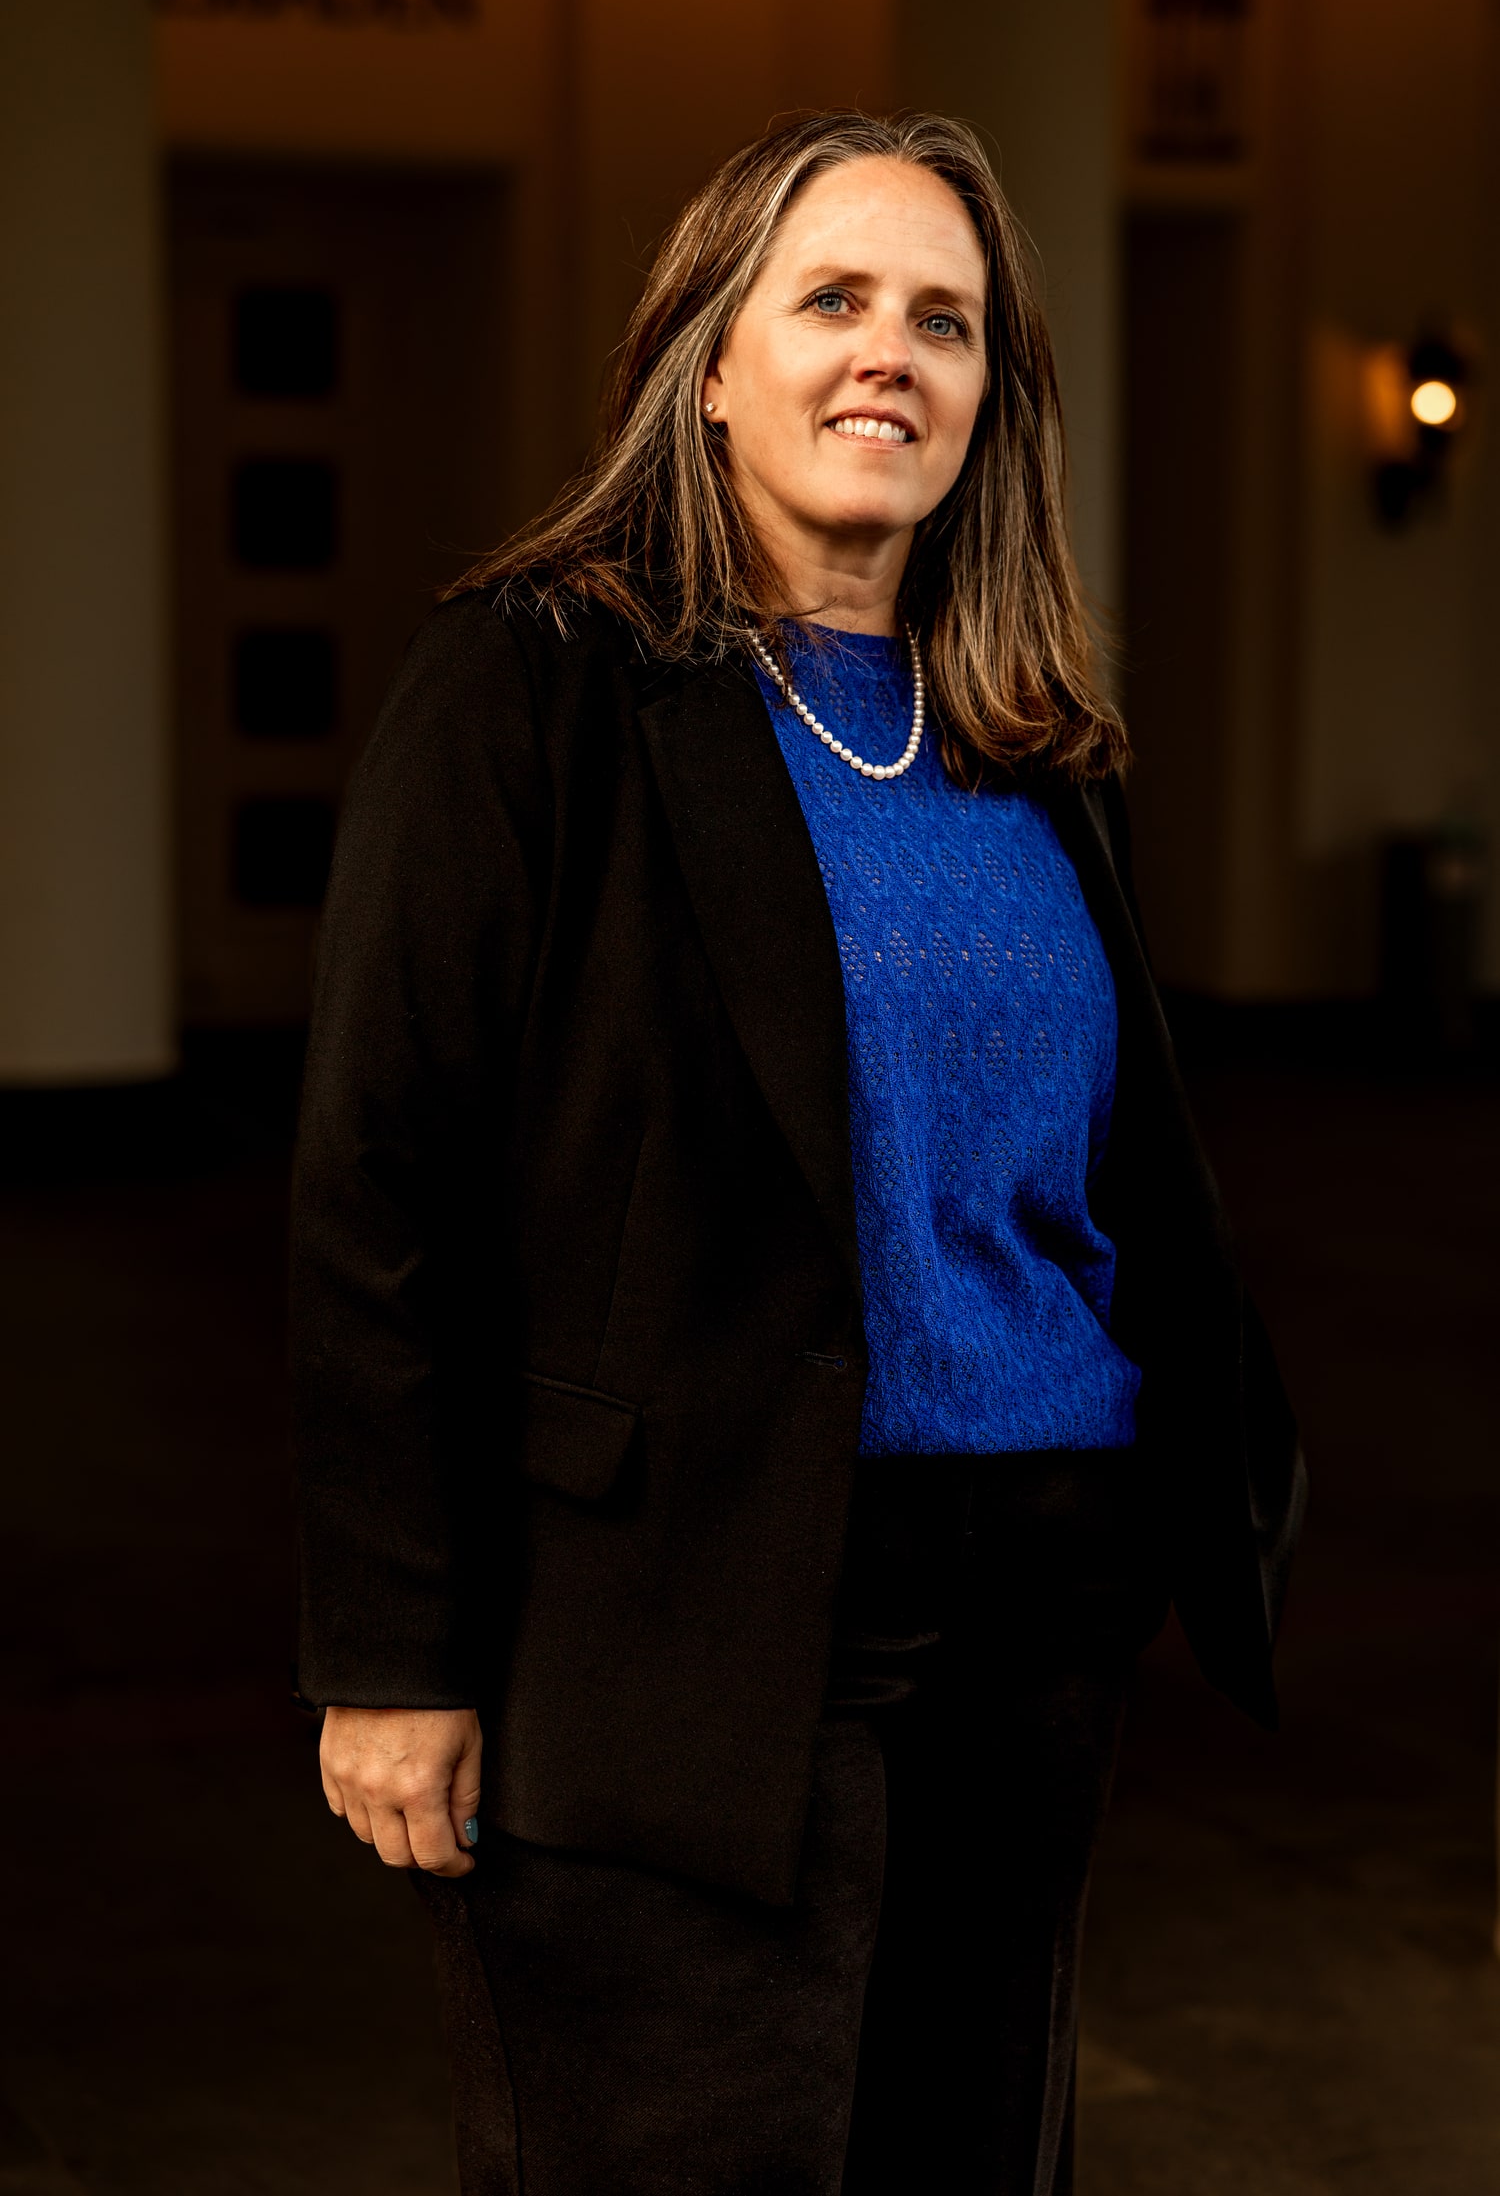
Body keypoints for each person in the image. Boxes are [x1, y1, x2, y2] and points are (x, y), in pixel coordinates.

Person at [293, 110, 1304, 2195]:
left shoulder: (1031, 735)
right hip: (681, 1605)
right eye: (831, 298)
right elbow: (381, 1189)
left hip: (1032, 1598)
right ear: (706, 360)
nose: (888, 356)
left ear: (991, 395)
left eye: (946, 321)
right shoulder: (532, 685)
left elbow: (1107, 1168)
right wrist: (393, 1651)